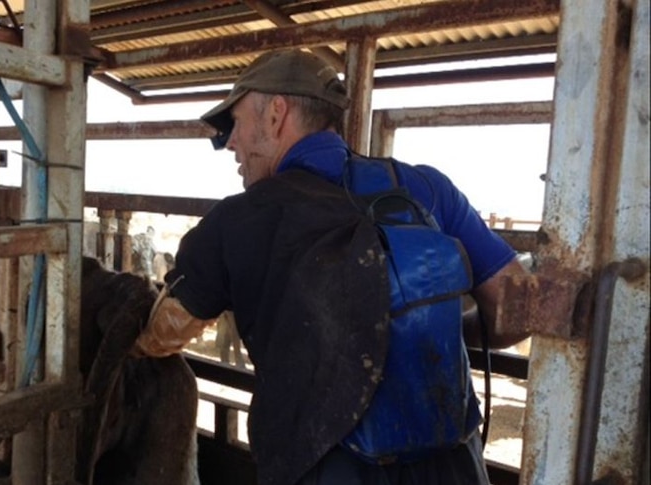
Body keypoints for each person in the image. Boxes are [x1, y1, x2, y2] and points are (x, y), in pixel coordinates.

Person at [132, 48, 530, 485]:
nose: (231, 142)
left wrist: (133, 342)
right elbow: (517, 310)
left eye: (236, 123)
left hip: (326, 467)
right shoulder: (426, 187)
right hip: (454, 465)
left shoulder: (236, 220)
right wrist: (420, 323)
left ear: (275, 115)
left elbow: (166, 333)